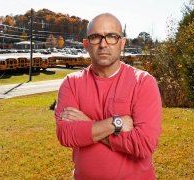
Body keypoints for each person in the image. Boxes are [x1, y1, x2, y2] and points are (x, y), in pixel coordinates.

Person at [55, 13, 162, 179]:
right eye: (96, 37)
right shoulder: (71, 83)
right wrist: (116, 122)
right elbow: (66, 134)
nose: (103, 44)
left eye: (112, 36)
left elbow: (143, 144)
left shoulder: (143, 82)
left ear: (122, 43)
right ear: (86, 44)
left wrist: (86, 124)